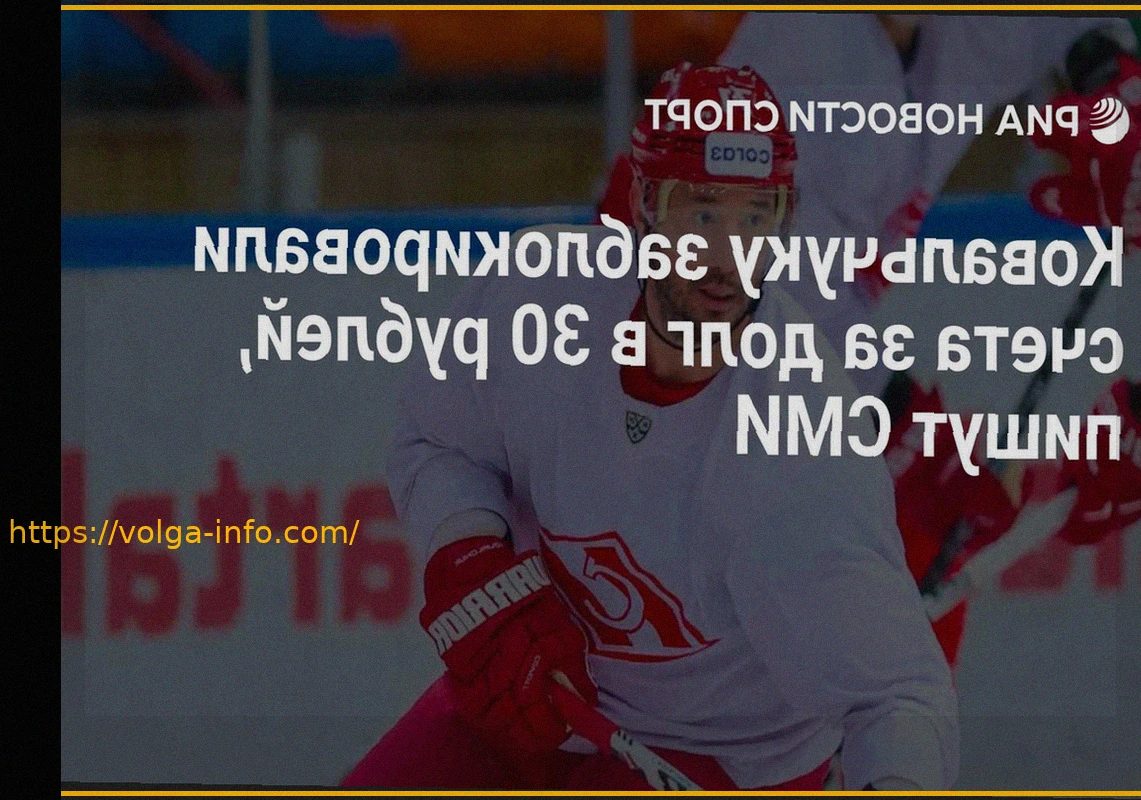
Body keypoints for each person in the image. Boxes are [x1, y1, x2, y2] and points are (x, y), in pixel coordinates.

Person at [343, 63, 959, 791]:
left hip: (719, 755)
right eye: (702, 212)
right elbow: (438, 439)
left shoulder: (803, 440)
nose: (728, 257)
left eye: (756, 217)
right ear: (642, 204)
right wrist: (469, 550)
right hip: (528, 701)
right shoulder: (535, 298)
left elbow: (897, 696)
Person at [597, 12, 1141, 668]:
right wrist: (902, 429)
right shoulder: (806, 60)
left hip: (774, 364)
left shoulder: (959, 31)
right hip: (670, 382)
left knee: (903, 592)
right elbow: (756, 311)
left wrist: (1107, 76)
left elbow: (1062, 24)